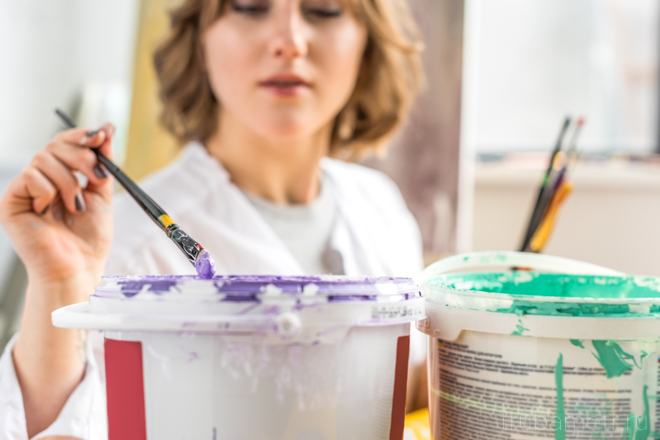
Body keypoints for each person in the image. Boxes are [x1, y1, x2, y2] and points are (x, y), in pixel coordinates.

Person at [0, 0, 425, 437]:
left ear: (367, 44)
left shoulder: (380, 209)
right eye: (250, 7)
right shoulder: (126, 248)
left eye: (324, 10)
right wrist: (61, 286)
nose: (290, 42)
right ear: (199, 39)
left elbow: (399, 391)